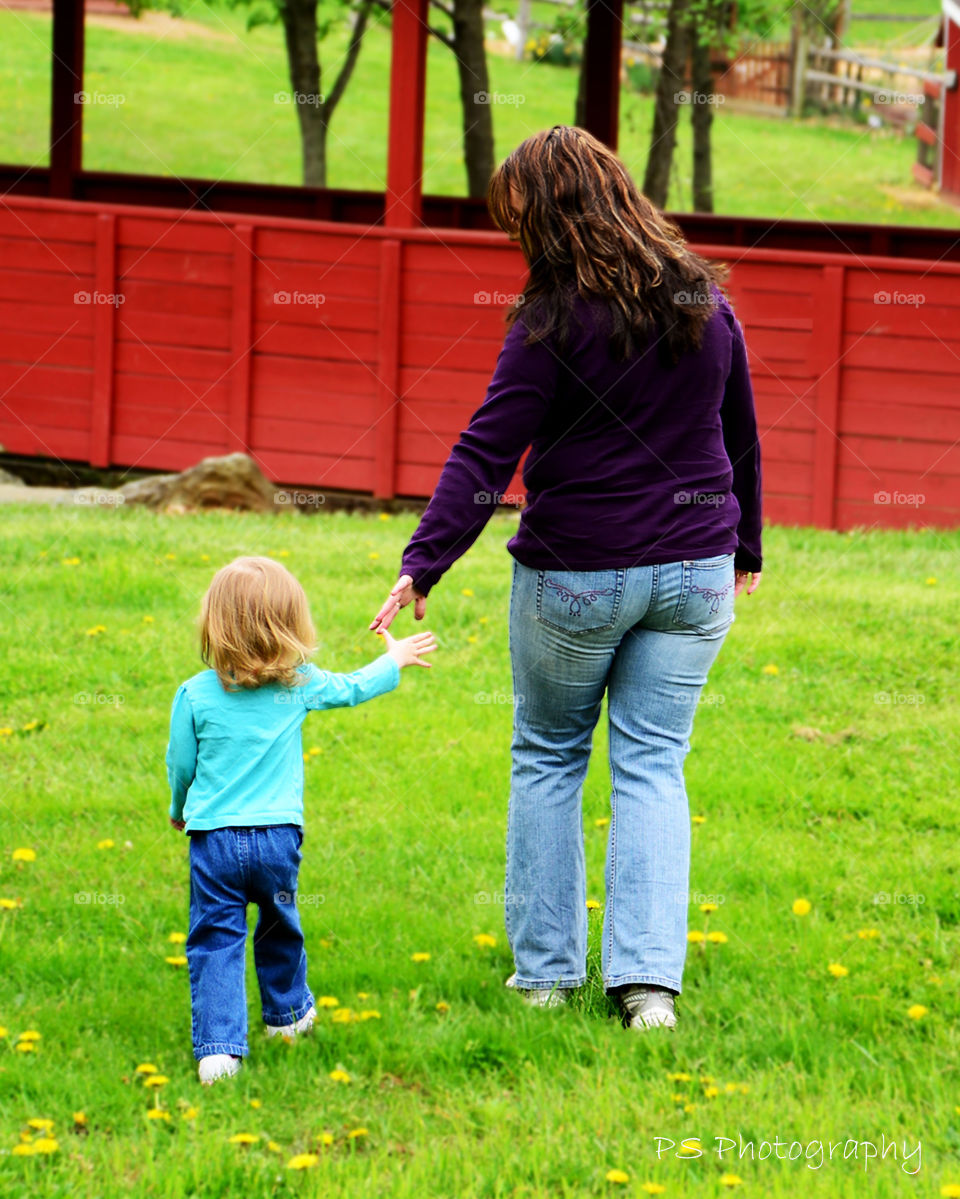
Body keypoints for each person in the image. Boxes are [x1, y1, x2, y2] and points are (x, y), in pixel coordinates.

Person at [370, 126, 762, 1032]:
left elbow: (488, 447)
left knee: (549, 754)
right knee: (654, 764)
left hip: (578, 573)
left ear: (549, 217)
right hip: (696, 570)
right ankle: (648, 991)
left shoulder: (550, 320)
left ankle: (547, 978)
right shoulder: (705, 298)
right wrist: (747, 549)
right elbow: (741, 431)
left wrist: (423, 560)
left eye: (520, 221)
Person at [167, 556, 436, 1083]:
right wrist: (395, 659)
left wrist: (179, 810)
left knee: (216, 936)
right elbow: (352, 687)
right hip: (278, 840)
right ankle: (288, 1019)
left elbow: (181, 765)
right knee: (278, 924)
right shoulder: (300, 685)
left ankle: (219, 1052)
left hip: (213, 840)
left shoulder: (195, 694)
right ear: (291, 624)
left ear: (213, 624)